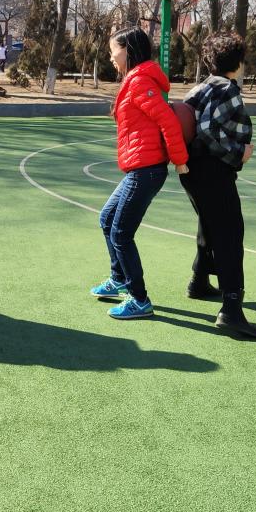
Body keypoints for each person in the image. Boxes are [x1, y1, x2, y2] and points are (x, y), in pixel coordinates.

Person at [91, 27, 189, 319]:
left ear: (128, 51)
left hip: (147, 170)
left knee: (121, 233)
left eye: (114, 51)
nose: (111, 57)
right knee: (107, 218)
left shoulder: (139, 82)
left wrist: (180, 160)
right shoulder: (133, 80)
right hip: (139, 167)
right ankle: (119, 278)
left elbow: (168, 121)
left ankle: (139, 299)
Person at [180, 32, 256, 338]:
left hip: (191, 170)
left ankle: (199, 281)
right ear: (239, 63)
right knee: (229, 233)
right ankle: (231, 309)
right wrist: (240, 152)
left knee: (209, 222)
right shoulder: (227, 88)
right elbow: (207, 129)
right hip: (212, 169)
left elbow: (192, 122)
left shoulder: (200, 87)